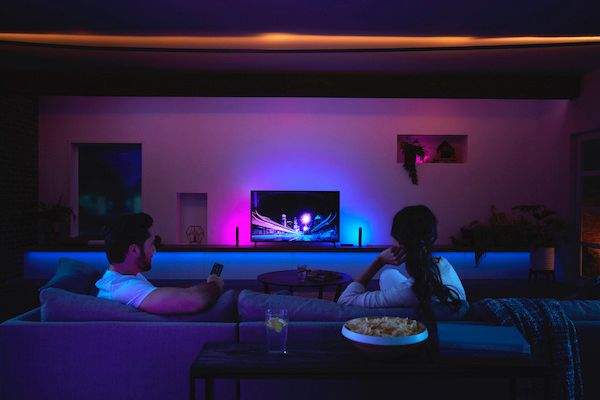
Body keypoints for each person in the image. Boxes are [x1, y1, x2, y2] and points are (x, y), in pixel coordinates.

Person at [337, 205, 466, 318]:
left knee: (386, 274)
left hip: (410, 305)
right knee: (388, 274)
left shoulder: (408, 292)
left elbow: (344, 301)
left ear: (399, 244)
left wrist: (379, 261)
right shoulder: (443, 263)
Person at [96, 213, 224, 314]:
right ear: (134, 250)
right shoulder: (124, 289)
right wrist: (215, 283)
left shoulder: (123, 277)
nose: (154, 250)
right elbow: (195, 300)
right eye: (151, 244)